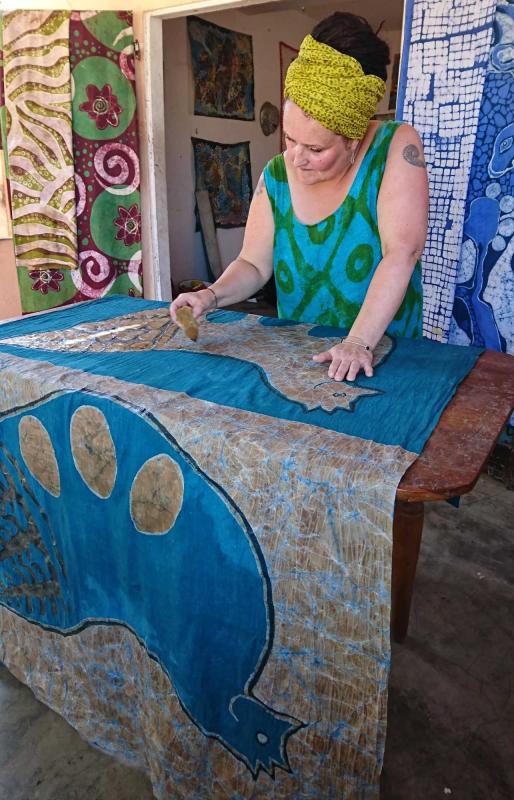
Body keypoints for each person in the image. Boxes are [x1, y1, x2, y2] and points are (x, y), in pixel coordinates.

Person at [170, 12, 429, 382]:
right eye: (289, 139)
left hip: (381, 356)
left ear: (354, 140)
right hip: (301, 359)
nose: (296, 158)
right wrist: (209, 297)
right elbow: (254, 265)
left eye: (316, 148)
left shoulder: (394, 146)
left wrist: (358, 342)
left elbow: (402, 252)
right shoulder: (277, 174)